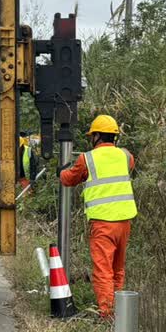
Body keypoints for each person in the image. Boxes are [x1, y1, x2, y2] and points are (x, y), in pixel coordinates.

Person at [58, 114, 137, 318]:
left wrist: (62, 171)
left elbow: (69, 179)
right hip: (124, 222)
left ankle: (107, 314)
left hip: (103, 223)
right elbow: (127, 167)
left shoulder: (87, 158)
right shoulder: (126, 156)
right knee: (117, 269)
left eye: (93, 136)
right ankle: (119, 312)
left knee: (103, 271)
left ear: (98, 136)